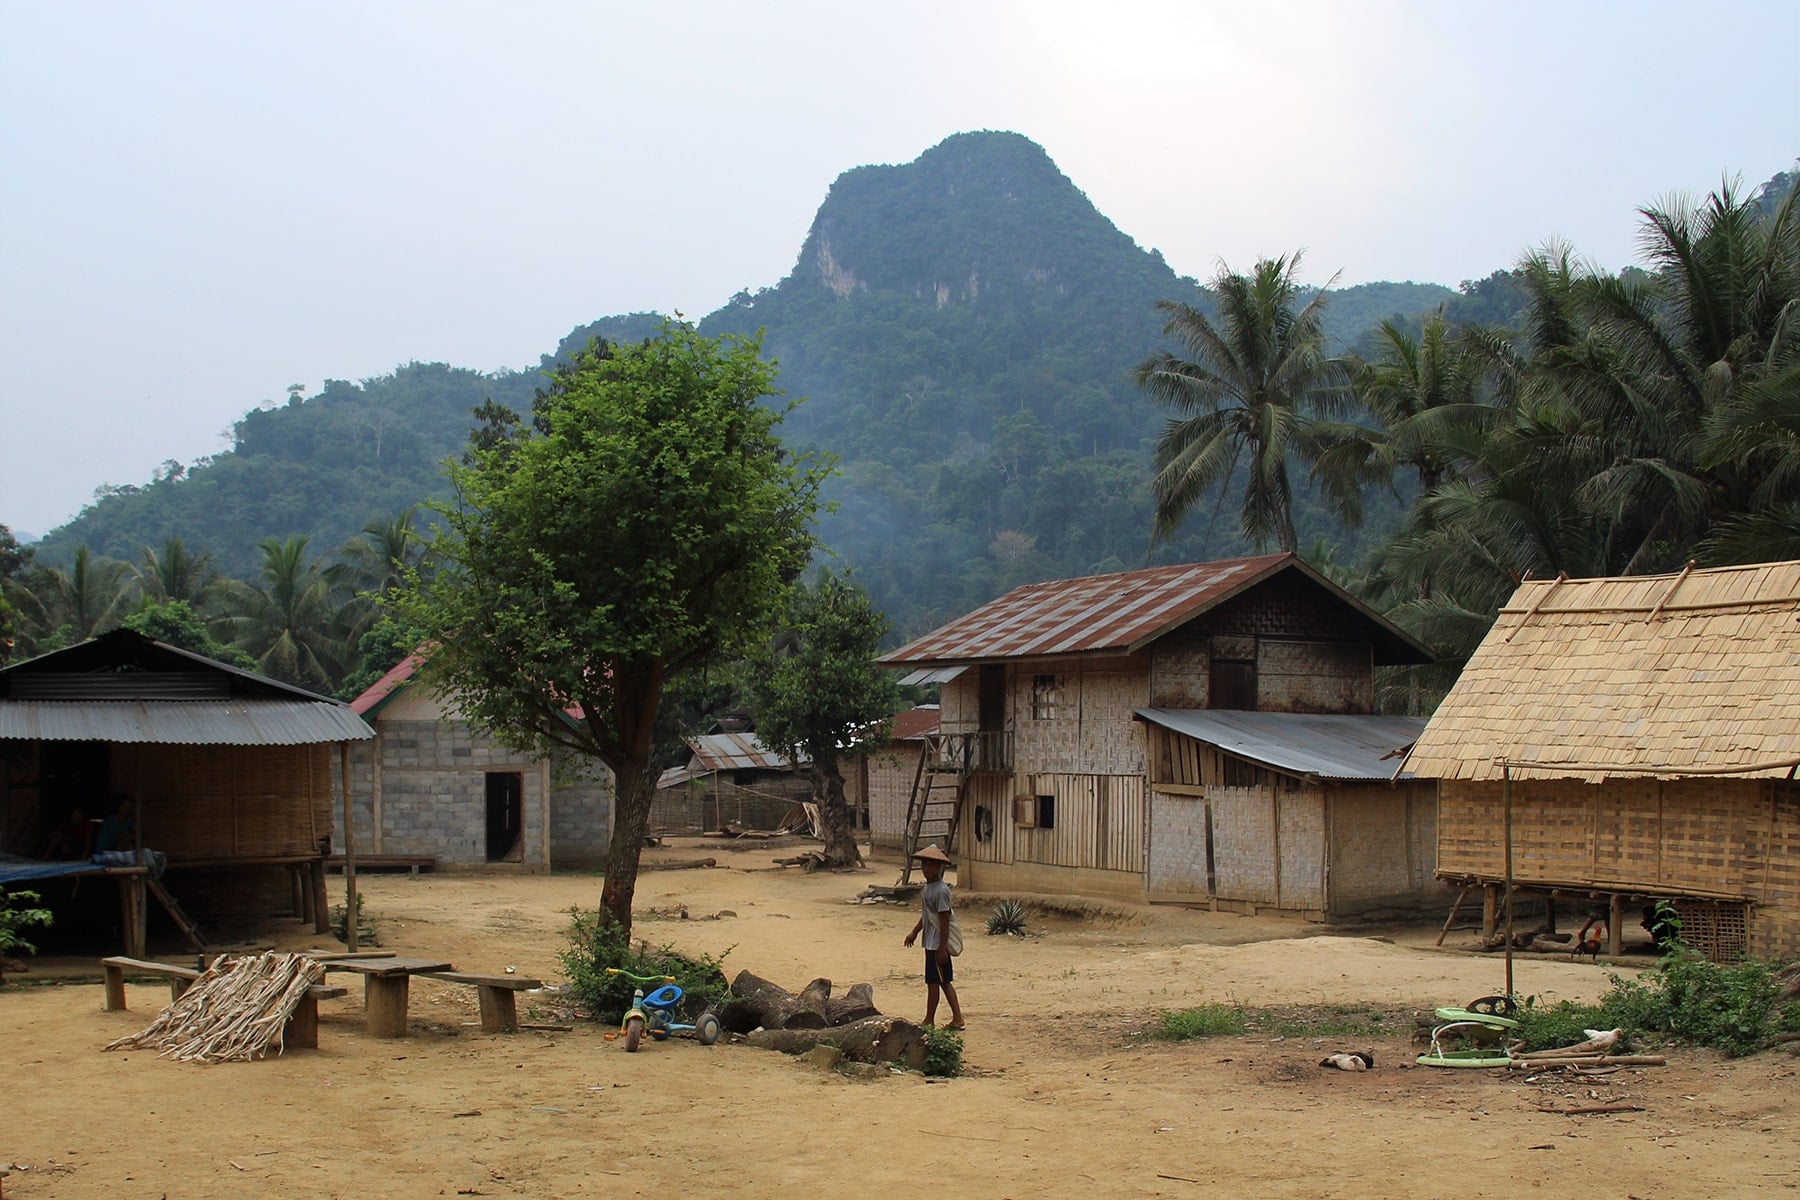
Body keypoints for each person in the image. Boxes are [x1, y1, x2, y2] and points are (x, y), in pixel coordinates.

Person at [902, 844, 965, 1030]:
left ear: (938, 867)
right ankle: (956, 1017)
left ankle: (930, 1019)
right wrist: (915, 932)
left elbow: (944, 920)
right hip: (931, 942)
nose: (926, 869)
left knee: (934, 983)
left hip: (937, 944)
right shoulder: (928, 888)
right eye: (924, 866)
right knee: (943, 982)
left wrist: (941, 947)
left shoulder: (941, 890)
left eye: (930, 866)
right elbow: (928, 915)